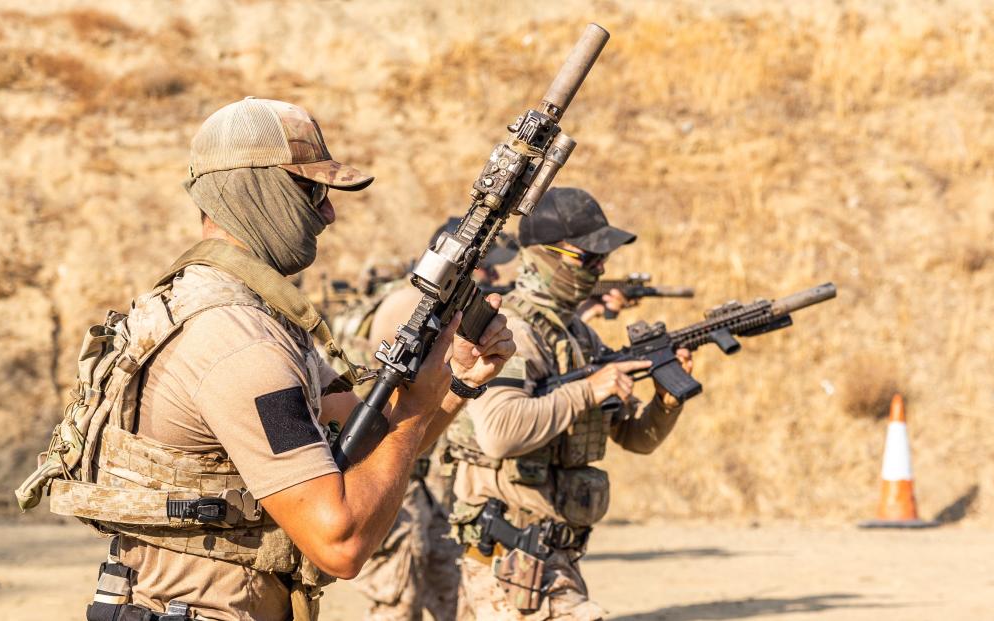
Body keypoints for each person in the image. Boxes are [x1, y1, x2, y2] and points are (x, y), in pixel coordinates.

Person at [42, 97, 515, 621]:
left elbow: (368, 445)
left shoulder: (240, 313)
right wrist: (417, 410)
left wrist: (454, 386)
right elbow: (339, 543)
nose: (328, 214)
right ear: (255, 189)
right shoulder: (240, 344)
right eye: (312, 192)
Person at [445, 187, 696, 621]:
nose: (600, 270)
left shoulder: (578, 336)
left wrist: (666, 402)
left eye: (603, 260)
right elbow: (499, 433)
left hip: (551, 562)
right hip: (511, 560)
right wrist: (586, 391)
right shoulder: (511, 334)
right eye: (587, 258)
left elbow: (634, 437)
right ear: (542, 256)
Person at [343, 219, 517, 621]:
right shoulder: (409, 309)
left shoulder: (431, 310)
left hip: (417, 474)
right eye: (486, 268)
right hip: (390, 473)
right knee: (397, 603)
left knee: (448, 596)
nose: (493, 277)